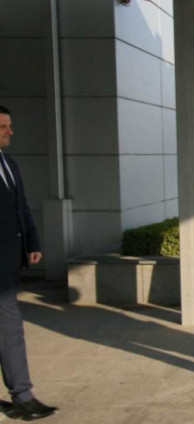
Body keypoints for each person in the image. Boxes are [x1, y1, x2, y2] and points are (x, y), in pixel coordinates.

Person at [0, 105, 58, 420]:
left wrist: (32, 242)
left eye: (9, 125)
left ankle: (21, 395)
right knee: (10, 330)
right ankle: (22, 397)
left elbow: (21, 206)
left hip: (10, 260)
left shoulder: (9, 164)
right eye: (3, 127)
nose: (10, 131)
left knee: (8, 331)